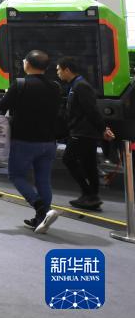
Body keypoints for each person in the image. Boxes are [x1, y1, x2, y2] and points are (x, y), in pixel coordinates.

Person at [0, 50, 61, 234]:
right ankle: (41, 221)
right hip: (49, 141)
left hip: (24, 140)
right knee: (43, 180)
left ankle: (40, 207)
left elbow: (2, 106)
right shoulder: (55, 86)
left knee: (16, 176)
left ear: (28, 64)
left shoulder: (20, 84)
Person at [57, 57, 115, 211]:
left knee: (68, 159)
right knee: (88, 164)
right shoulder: (76, 84)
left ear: (67, 70)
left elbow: (91, 110)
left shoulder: (81, 85)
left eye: (59, 69)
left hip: (83, 132)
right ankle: (91, 196)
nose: (58, 73)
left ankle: (89, 193)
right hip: (83, 131)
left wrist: (103, 129)